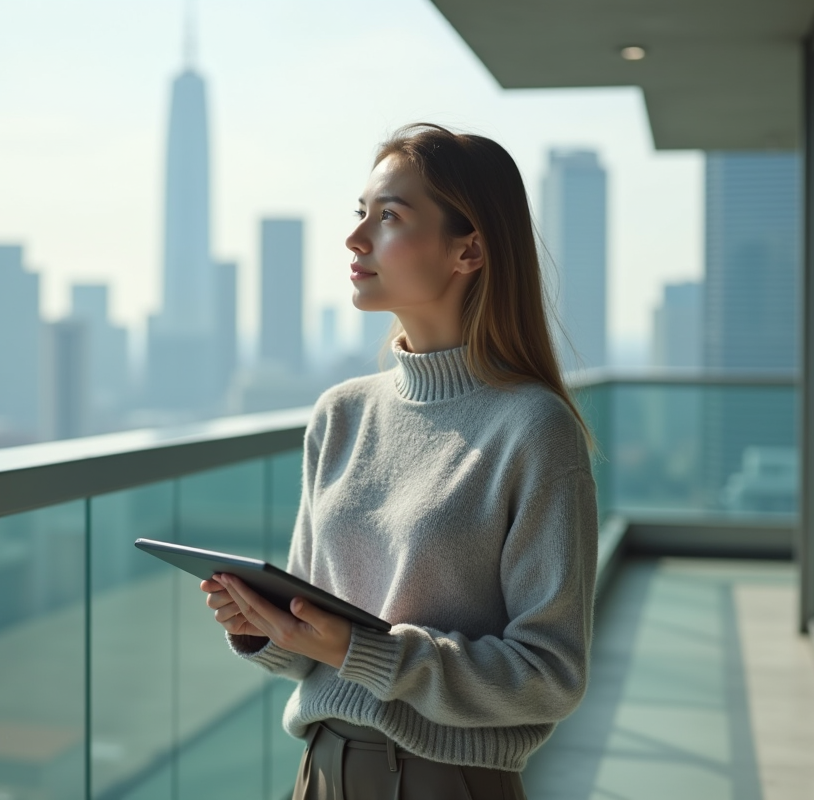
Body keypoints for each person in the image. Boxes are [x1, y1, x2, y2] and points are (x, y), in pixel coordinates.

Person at [200, 123, 597, 800]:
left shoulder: (534, 430)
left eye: (388, 217)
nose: (356, 239)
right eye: (361, 214)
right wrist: (267, 630)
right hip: (320, 771)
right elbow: (314, 649)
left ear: (468, 249)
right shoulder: (340, 414)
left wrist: (362, 652)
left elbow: (550, 675)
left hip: (448, 782)